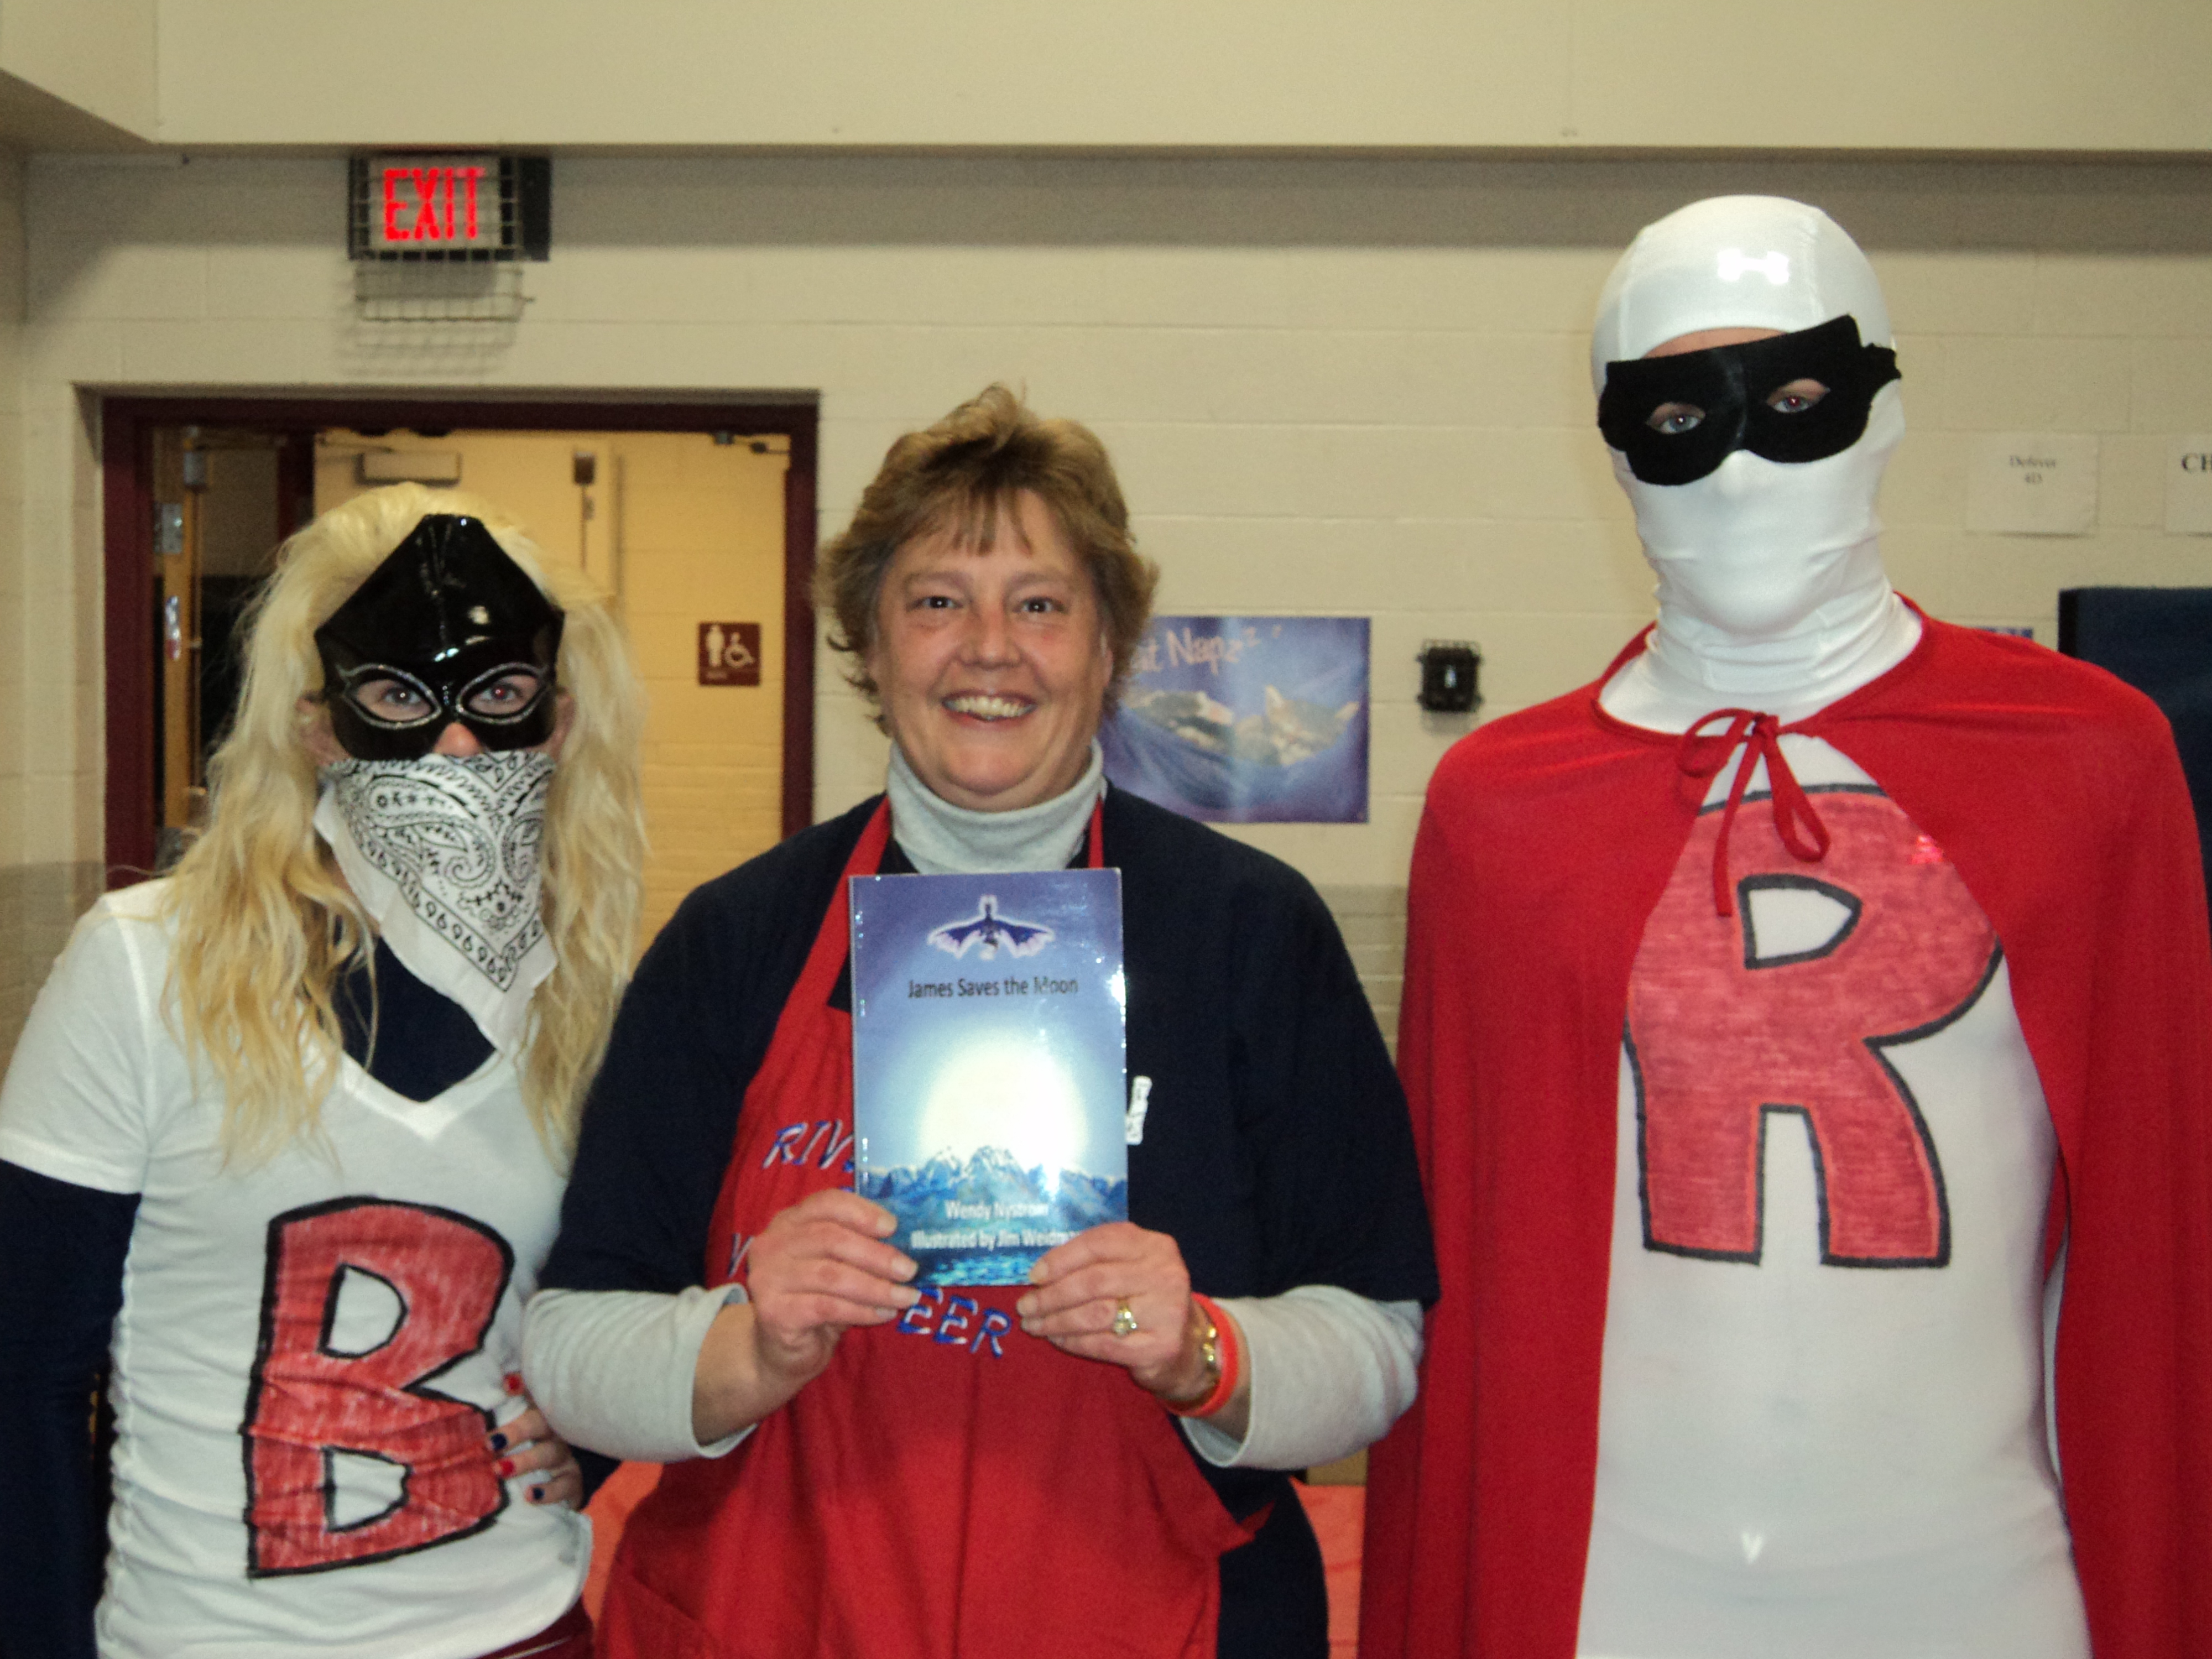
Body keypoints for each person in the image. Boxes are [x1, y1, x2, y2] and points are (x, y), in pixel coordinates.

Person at [1360, 195, 2212, 1659]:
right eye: (1678, 416)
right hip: (1613, 1582)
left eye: (1798, 401)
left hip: (1981, 1582)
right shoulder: (1504, 810)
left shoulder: (2088, 762)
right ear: (1615, 446)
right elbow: (1465, 1265)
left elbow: (2157, 1226)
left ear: (1886, 407)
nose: (1743, 465)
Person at [524, 384, 1438, 1659]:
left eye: (1041, 605)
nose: (989, 648)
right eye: (937, 601)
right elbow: (571, 1343)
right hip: (788, 1615)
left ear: (1109, 648)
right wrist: (744, 1343)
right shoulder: (737, 939)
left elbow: (1378, 1340)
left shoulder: (1246, 931)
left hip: (1152, 1614)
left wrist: (1200, 1350)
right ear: (871, 642)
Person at [0, 489, 647, 1658]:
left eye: (500, 695)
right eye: (398, 699)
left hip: (514, 1621)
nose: (456, 747)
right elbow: (25, 1370)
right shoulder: (147, 967)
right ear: (316, 728)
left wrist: (591, 1439)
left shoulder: (587, 996)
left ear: (558, 723)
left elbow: (630, 1295)